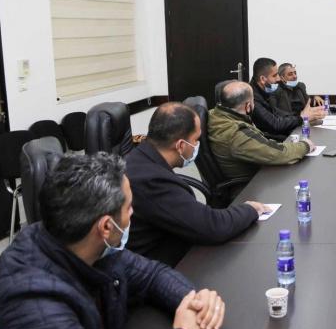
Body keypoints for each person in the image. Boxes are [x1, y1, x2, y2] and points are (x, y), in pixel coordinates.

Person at [0, 153, 226, 329]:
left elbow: (152, 274)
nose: (133, 213)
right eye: (129, 207)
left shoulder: (81, 239)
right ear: (106, 226)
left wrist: (192, 301)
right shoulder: (29, 304)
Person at [126, 102, 269, 266]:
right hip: (166, 267)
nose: (196, 146)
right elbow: (213, 227)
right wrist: (250, 209)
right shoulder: (152, 180)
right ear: (181, 145)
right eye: (196, 140)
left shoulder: (140, 158)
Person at [209, 81, 313, 180]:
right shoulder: (237, 134)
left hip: (253, 169)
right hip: (251, 184)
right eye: (253, 101)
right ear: (248, 106)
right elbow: (279, 154)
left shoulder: (216, 114)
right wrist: (306, 145)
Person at [249, 57, 325, 138]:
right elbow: (275, 124)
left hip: (280, 133)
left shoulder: (267, 88)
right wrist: (301, 118)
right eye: (274, 75)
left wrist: (306, 115)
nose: (278, 79)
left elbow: (281, 116)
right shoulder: (252, 97)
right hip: (268, 139)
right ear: (262, 79)